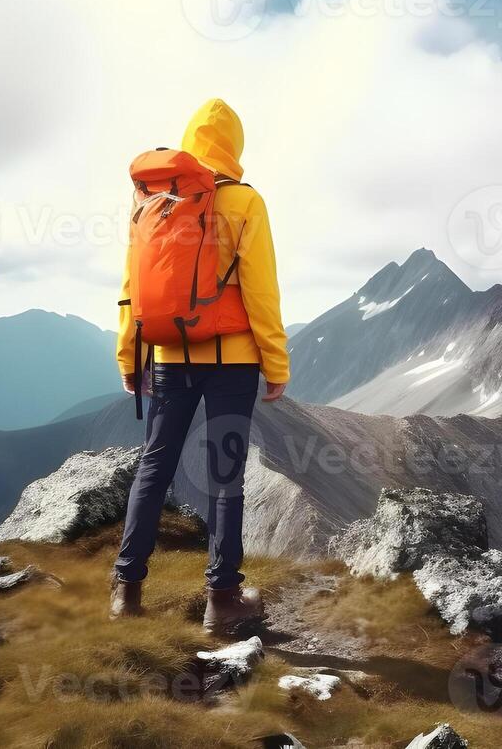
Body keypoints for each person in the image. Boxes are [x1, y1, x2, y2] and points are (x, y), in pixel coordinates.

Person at [111, 98, 290, 634]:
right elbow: (261, 292)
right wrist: (275, 363)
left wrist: (129, 355)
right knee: (225, 471)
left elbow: (131, 289)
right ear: (234, 146)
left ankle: (126, 591)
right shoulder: (245, 202)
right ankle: (222, 598)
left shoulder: (153, 200)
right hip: (232, 360)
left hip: (167, 355)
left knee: (155, 464)